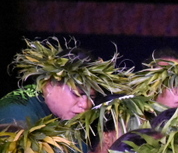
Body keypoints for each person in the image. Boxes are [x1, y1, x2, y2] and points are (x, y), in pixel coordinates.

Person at [0, 37, 128, 125]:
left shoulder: (70, 116)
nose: (85, 105)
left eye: (92, 97)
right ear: (50, 84)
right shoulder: (16, 114)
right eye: (77, 94)